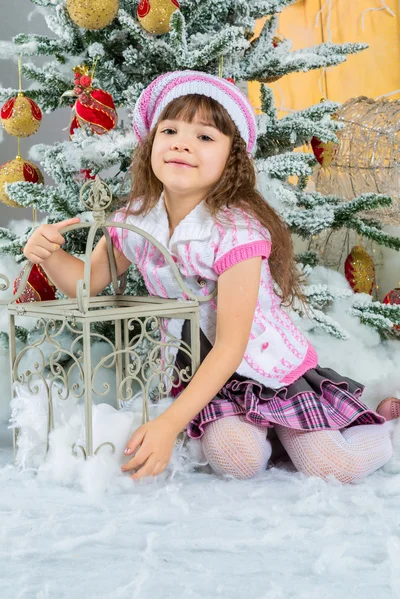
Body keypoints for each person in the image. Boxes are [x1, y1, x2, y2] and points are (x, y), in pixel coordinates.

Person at [23, 70, 397, 483]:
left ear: (230, 158)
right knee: (235, 461)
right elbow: (85, 284)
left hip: (263, 370)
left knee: (333, 468)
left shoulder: (237, 231)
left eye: (205, 137)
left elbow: (231, 346)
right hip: (203, 378)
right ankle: (267, 434)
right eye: (170, 130)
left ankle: (381, 430)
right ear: (151, 143)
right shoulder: (137, 220)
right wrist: (50, 254)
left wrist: (167, 426)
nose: (182, 142)